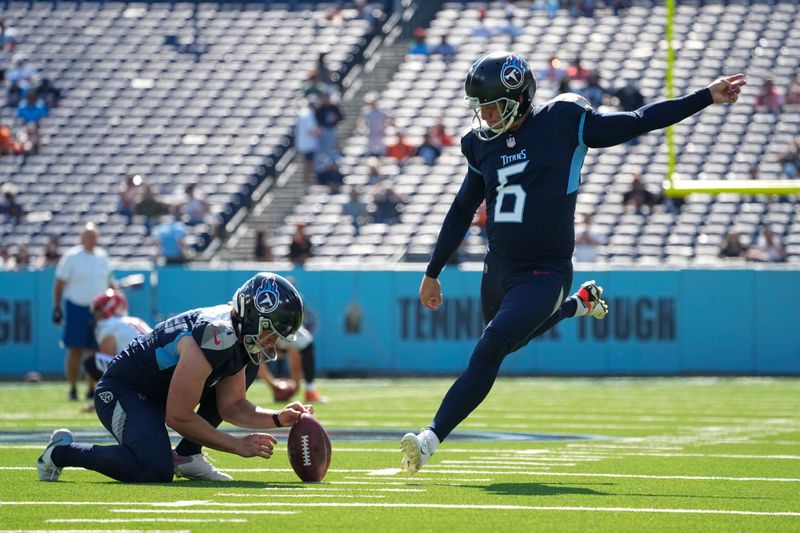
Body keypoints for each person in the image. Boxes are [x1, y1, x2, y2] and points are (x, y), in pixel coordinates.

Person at [399, 50, 746, 474]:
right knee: (507, 345)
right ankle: (579, 304)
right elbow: (460, 210)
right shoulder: (480, 145)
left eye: (492, 105)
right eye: (480, 107)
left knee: (490, 346)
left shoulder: (562, 120)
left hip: (544, 270)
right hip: (498, 268)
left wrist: (705, 96)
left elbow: (638, 120)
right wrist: (432, 271)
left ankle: (429, 438)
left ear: (520, 98)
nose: (485, 115)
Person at [37, 272, 310, 483]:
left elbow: (232, 405)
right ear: (253, 315)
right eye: (270, 331)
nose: (273, 340)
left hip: (160, 393)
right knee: (154, 469)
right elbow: (178, 417)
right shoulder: (215, 335)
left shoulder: (235, 336)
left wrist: (277, 418)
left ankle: (188, 455)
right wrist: (236, 445)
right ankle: (61, 451)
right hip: (125, 392)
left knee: (247, 366)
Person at [53, 222, 112, 401]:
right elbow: (59, 283)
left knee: (95, 350)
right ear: (82, 238)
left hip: (98, 310)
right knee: (75, 349)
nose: (92, 240)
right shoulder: (72, 256)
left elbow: (109, 281)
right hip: (77, 306)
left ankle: (91, 387)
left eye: (94, 237)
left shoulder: (102, 256)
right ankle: (72, 387)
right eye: (88, 237)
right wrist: (57, 307)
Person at [80, 289, 152, 413]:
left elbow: (110, 369)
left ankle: (112, 400)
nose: (95, 314)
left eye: (97, 309)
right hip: (156, 368)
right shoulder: (134, 320)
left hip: (142, 373)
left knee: (92, 362)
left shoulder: (107, 326)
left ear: (107, 308)